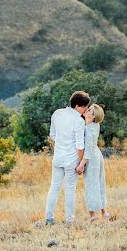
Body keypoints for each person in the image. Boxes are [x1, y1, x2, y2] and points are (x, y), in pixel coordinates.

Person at [45, 91, 91, 225]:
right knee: (70, 188)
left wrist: (62, 142)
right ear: (77, 105)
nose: (85, 110)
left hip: (58, 157)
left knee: (54, 187)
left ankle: (49, 218)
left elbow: (52, 135)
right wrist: (81, 163)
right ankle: (69, 219)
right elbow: (80, 145)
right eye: (84, 107)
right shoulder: (78, 120)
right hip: (72, 160)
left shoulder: (57, 113)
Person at [76, 104, 109, 221]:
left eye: (89, 110)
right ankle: (104, 212)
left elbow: (88, 149)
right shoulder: (95, 125)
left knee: (91, 185)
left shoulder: (89, 128)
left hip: (91, 157)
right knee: (99, 182)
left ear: (93, 116)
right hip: (97, 155)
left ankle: (93, 215)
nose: (86, 110)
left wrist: (81, 164)